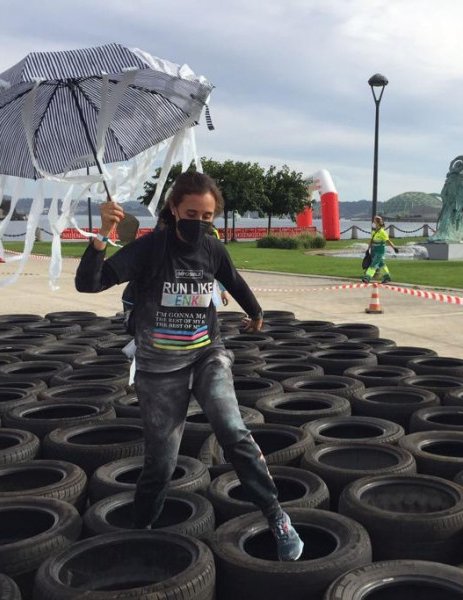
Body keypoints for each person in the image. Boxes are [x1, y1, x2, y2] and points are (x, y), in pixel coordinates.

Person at [75, 171, 304, 561]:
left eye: (208, 216)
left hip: (206, 355)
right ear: (174, 210)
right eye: (192, 213)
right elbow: (89, 284)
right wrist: (103, 236)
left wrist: (256, 312)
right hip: (159, 367)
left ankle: (276, 516)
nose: (199, 222)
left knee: (233, 429)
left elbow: (233, 280)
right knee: (161, 463)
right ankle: (140, 531)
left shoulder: (212, 249)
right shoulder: (151, 249)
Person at [362, 215, 398, 283]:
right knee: (381, 264)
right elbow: (371, 240)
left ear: (377, 222)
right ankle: (387, 277)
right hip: (373, 250)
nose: (373, 222)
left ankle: (367, 277)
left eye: (374, 221)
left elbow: (388, 241)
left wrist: (394, 247)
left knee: (374, 264)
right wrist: (368, 249)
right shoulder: (374, 231)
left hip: (380, 251)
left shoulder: (382, 232)